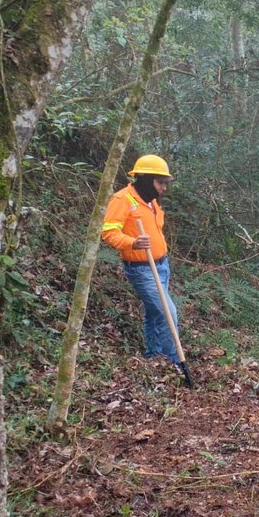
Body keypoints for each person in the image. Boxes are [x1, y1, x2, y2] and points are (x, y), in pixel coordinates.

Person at [101, 154, 181, 364]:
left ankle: (154, 355)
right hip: (142, 269)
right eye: (161, 183)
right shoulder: (122, 199)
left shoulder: (151, 201)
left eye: (166, 183)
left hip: (161, 265)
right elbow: (108, 232)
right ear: (145, 179)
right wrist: (133, 243)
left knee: (154, 313)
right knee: (168, 313)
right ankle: (173, 361)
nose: (164, 188)